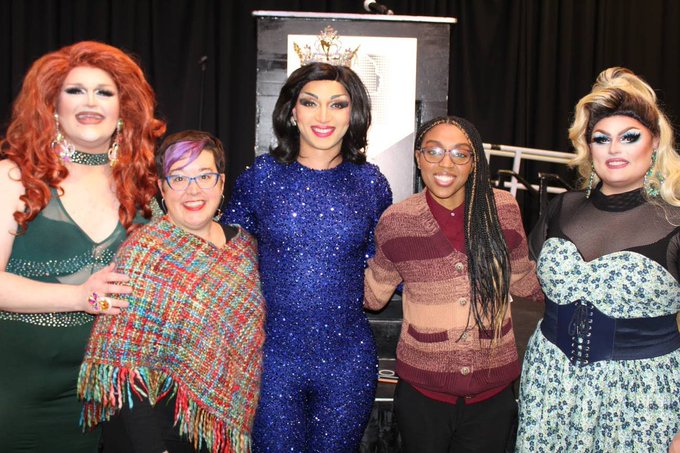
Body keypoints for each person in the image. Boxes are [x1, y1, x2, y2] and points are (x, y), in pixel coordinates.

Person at [0, 41, 165, 451]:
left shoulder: (143, 188)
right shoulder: (14, 177)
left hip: (109, 398)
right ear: (53, 106)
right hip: (17, 391)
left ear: (124, 109)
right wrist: (79, 296)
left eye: (104, 92)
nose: (90, 101)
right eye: (75, 90)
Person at [223, 62, 392, 452]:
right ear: (292, 112)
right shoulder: (261, 177)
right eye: (310, 102)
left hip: (347, 363)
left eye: (338, 104)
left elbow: (386, 263)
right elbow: (228, 257)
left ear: (354, 114)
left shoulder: (370, 183)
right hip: (271, 360)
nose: (323, 116)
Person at [515, 67, 680, 452]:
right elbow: (524, 282)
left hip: (641, 398)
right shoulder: (562, 209)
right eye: (601, 138)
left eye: (629, 137)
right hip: (550, 386)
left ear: (655, 141)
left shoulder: (675, 222)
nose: (614, 148)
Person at [78, 131, 266, 453]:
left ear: (221, 183)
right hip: (158, 433)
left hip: (218, 432)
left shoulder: (245, 249)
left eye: (205, 176)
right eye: (178, 178)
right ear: (162, 188)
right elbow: (126, 372)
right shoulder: (144, 253)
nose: (193, 189)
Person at [364, 115, 542, 452]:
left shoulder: (502, 209)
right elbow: (374, 295)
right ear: (418, 157)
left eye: (460, 154)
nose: (446, 163)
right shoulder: (397, 221)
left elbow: (522, 278)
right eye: (434, 151)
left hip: (493, 395)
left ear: (474, 163)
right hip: (423, 395)